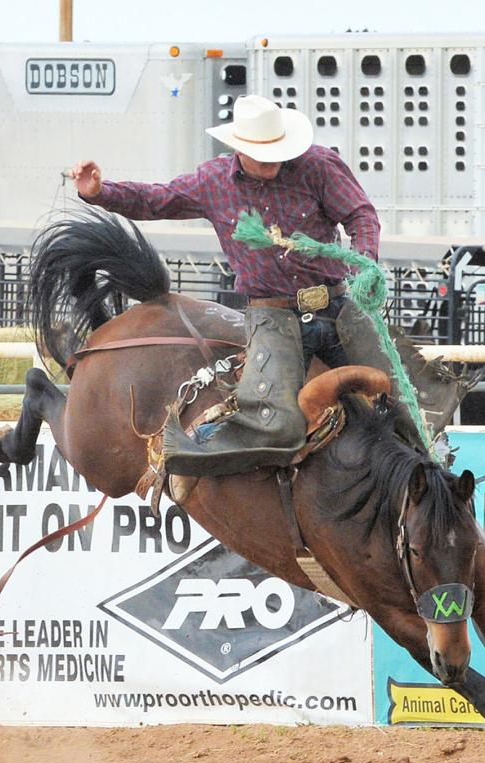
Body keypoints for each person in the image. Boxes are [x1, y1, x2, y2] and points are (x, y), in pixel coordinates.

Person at [70, 95, 463, 490]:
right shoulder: (213, 182)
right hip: (273, 317)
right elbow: (157, 200)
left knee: (409, 399)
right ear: (239, 148)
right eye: (263, 153)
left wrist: (365, 260)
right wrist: (100, 192)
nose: (273, 160)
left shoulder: (318, 166)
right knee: (276, 421)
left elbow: (360, 215)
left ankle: (432, 485)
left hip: (338, 305)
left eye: (278, 150)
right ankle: (190, 459)